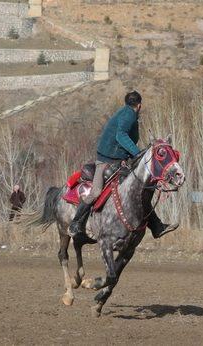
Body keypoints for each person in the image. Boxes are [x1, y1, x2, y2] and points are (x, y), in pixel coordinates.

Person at [68, 91, 177, 240]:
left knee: (138, 191)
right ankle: (75, 223)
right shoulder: (129, 115)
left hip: (118, 160)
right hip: (105, 161)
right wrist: (137, 154)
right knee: (96, 192)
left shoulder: (128, 114)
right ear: (139, 105)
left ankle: (156, 226)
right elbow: (121, 136)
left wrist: (129, 156)